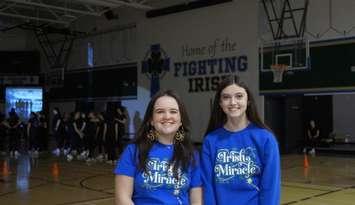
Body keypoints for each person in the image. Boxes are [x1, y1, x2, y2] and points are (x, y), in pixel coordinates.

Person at [201, 76, 280, 205]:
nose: (233, 102)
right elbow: (208, 188)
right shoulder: (211, 141)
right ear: (220, 103)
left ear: (248, 100)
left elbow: (270, 187)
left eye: (239, 96)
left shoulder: (266, 139)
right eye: (226, 97)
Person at [114, 90, 202, 205]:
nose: (167, 116)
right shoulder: (133, 151)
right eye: (160, 111)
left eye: (173, 111)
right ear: (151, 120)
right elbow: (122, 198)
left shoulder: (191, 154)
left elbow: (196, 199)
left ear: (181, 120)